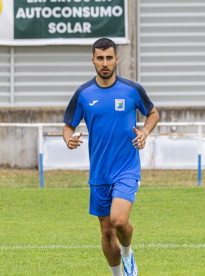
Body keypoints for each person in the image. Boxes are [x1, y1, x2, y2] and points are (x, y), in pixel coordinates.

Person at [62, 38, 159, 276]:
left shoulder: (132, 90)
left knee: (118, 221)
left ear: (116, 59)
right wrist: (68, 139)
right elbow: (67, 126)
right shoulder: (83, 94)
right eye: (100, 58)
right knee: (106, 232)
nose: (104, 63)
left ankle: (128, 254)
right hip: (99, 173)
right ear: (93, 60)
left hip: (126, 168)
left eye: (109, 58)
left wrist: (145, 132)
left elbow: (153, 113)